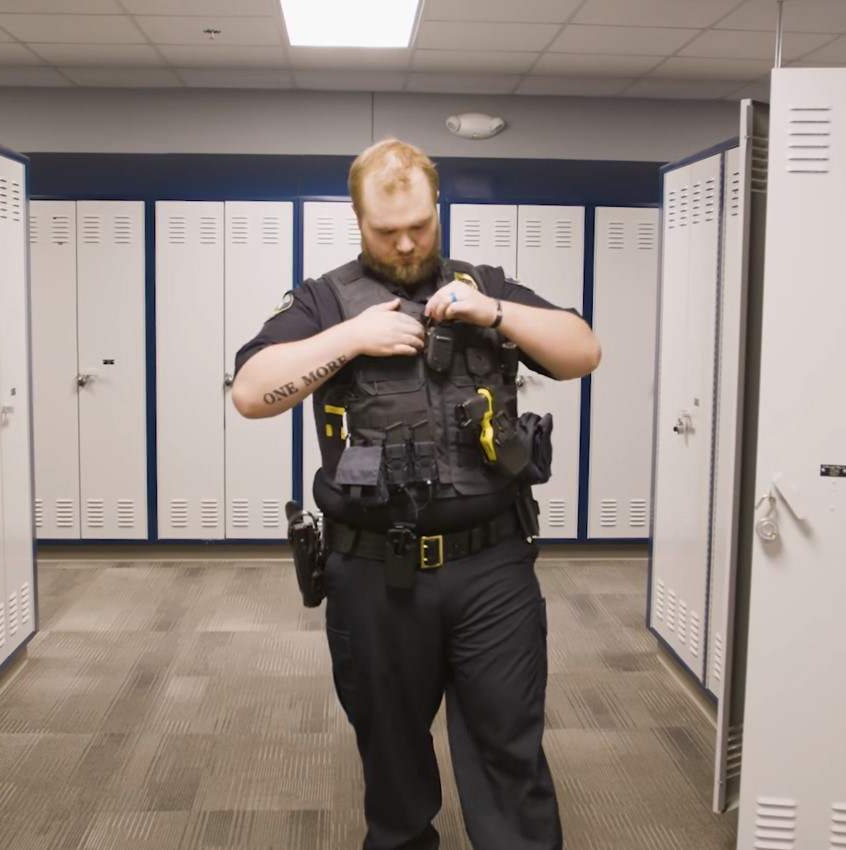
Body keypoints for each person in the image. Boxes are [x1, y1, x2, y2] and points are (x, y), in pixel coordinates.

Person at [230, 138, 601, 850]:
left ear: (439, 209)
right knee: (393, 767)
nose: (404, 243)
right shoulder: (325, 301)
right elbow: (251, 392)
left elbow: (582, 349)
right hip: (376, 572)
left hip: (492, 566)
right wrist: (348, 338)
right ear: (357, 218)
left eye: (420, 226)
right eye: (385, 230)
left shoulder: (480, 284)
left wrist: (493, 312)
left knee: (510, 754)